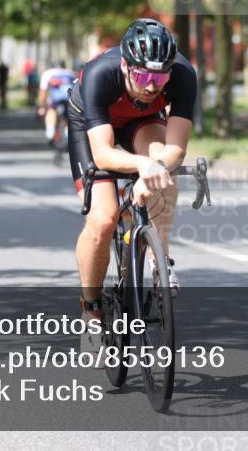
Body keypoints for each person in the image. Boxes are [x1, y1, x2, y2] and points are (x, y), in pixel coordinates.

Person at [67, 18, 197, 331]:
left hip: (142, 119)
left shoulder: (182, 75)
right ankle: (91, 309)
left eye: (160, 75)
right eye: (143, 75)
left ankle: (159, 256)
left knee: (164, 165)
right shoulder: (100, 74)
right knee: (103, 219)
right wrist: (141, 167)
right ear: (126, 65)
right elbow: (103, 153)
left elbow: (175, 149)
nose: (153, 85)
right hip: (92, 125)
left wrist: (155, 167)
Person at [37, 60, 77, 147]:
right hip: (68, 100)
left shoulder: (48, 73)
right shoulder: (70, 73)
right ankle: (68, 136)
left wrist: (42, 106)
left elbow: (43, 91)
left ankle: (50, 133)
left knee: (51, 111)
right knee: (68, 118)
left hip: (55, 100)